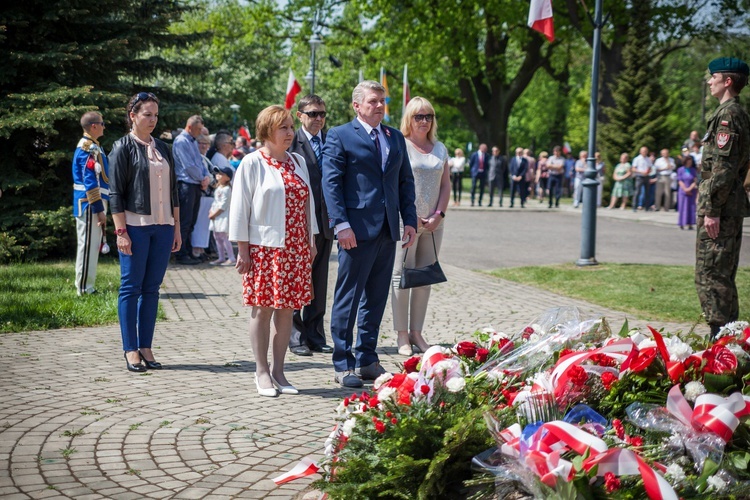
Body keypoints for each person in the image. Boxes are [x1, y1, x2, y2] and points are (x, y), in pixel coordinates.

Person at [322, 80, 417, 388]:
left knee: (375, 298)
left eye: (382, 100)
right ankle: (342, 362)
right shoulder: (339, 135)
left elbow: (405, 182)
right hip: (356, 230)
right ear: (357, 105)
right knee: (348, 298)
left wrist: (410, 220)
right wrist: (341, 224)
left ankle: (366, 359)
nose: (379, 105)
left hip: (388, 229)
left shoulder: (394, 137)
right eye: (373, 101)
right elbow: (331, 184)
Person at [229, 105, 318, 397]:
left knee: (287, 311)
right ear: (267, 130)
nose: (290, 133)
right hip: (265, 248)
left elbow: (309, 203)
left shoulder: (298, 162)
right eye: (284, 128)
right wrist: (243, 250)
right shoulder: (252, 163)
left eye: (292, 127)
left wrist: (312, 239)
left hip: (296, 248)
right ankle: (261, 371)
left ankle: (280, 371)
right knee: (263, 308)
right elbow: (240, 208)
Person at [109, 92, 180, 372]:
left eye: (155, 115)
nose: (152, 119)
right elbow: (115, 194)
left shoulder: (163, 147)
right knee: (131, 288)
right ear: (133, 116)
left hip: (163, 227)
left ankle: (146, 346)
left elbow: (174, 190)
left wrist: (176, 228)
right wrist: (120, 232)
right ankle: (130, 350)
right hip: (135, 228)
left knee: (152, 289)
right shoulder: (122, 147)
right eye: (147, 114)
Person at [391, 97, 450, 356]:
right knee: (401, 277)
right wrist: (409, 215)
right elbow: (392, 184)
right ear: (409, 119)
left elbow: (446, 184)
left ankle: (417, 333)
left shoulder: (440, 148)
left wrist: (440, 214)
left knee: (424, 278)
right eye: (419, 116)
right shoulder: (400, 145)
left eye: (428, 116)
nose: (424, 121)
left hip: (434, 224)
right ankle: (401, 335)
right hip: (407, 222)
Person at [695, 57, 750, 337]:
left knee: (711, 274)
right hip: (728, 205)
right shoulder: (733, 113)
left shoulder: (728, 115)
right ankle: (730, 339)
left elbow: (724, 168)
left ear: (727, 81)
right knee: (722, 273)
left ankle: (720, 340)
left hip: (722, 208)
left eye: (712, 76)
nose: (709, 81)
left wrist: (712, 209)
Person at [288, 94, 335, 357]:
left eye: (322, 114)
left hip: (326, 223)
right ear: (300, 115)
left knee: (318, 280)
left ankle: (315, 334)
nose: (319, 118)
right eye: (313, 113)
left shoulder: (330, 141)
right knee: (298, 280)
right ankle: (295, 337)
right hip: (301, 224)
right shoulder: (291, 141)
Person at [72, 111, 110, 296]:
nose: (104, 126)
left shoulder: (94, 146)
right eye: (102, 123)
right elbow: (90, 180)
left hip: (93, 203)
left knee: (92, 245)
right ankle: (84, 289)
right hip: (89, 204)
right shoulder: (88, 148)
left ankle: (88, 286)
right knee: (87, 246)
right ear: (94, 126)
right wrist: (99, 209)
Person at [173, 115, 211, 265]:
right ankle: (180, 254)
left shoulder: (192, 141)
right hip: (186, 185)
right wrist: (202, 178)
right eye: (199, 129)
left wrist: (205, 176)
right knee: (185, 221)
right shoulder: (182, 141)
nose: (201, 132)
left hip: (195, 185)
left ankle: (188, 251)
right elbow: (188, 166)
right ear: (190, 127)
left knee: (192, 221)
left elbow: (199, 162)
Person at [208, 165, 235, 265]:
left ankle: (231, 258)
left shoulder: (227, 189)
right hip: (215, 216)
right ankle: (221, 257)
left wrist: (214, 214)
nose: (218, 175)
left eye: (221, 174)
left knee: (224, 237)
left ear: (228, 177)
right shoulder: (219, 187)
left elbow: (223, 205)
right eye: (218, 173)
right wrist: (211, 211)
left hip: (222, 216)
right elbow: (215, 202)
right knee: (217, 237)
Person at [677, 155, 698, 230]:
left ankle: (690, 223)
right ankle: (681, 223)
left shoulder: (693, 170)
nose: (690, 162)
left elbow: (695, 180)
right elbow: (680, 180)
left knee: (691, 207)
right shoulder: (680, 169)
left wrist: (690, 189)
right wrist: (685, 189)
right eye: (688, 161)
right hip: (682, 190)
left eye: (691, 161)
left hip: (691, 190)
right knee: (682, 207)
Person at [631, 146, 651, 211]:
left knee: (647, 192)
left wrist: (648, 171)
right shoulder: (637, 159)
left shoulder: (648, 159)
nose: (644, 152)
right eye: (643, 151)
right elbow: (633, 168)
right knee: (637, 192)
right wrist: (641, 172)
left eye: (645, 151)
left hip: (646, 176)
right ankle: (634, 206)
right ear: (640, 152)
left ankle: (647, 207)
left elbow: (650, 167)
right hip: (639, 176)